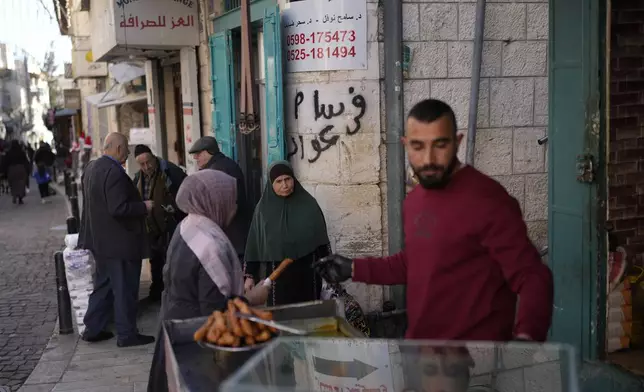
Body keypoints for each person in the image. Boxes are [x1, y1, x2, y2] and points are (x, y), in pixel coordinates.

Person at [315, 99, 554, 342]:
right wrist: (353, 268)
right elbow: (415, 263)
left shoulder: (489, 200)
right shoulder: (414, 201)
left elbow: (532, 276)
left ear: (457, 142)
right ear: (406, 145)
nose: (428, 159)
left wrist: (525, 343)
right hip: (421, 356)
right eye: (418, 147)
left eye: (439, 145)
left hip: (476, 364)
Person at [147, 169, 271, 392]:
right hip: (196, 345)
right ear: (213, 200)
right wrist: (252, 298)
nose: (233, 208)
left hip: (176, 327)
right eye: (230, 201)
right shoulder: (209, 244)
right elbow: (214, 311)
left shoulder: (188, 225)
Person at [78, 132, 155, 347]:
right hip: (119, 243)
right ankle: (126, 334)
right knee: (124, 289)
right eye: (127, 148)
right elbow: (118, 208)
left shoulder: (92, 168)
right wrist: (144, 207)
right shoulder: (113, 172)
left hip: (100, 241)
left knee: (103, 286)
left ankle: (92, 329)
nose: (129, 152)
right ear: (118, 148)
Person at [244, 161, 331, 306]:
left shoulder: (309, 205)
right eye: (278, 181)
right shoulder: (263, 210)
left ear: (294, 180)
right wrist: (249, 276)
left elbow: (321, 241)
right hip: (277, 277)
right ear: (271, 183)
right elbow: (254, 243)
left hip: (308, 274)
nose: (284, 185)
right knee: (281, 317)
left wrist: (329, 268)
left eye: (288, 179)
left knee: (310, 314)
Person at [133, 144, 187, 301]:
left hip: (171, 224)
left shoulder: (170, 171)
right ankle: (156, 294)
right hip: (152, 226)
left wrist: (176, 209)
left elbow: (187, 189)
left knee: (172, 261)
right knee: (155, 260)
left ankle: (175, 295)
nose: (146, 166)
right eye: (142, 164)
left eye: (148, 162)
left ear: (153, 157)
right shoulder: (138, 177)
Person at [189, 136, 251, 262]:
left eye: (198, 154)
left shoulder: (218, 170)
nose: (195, 158)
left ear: (208, 152)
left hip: (231, 235)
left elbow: (219, 206)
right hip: (231, 235)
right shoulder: (222, 165)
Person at [1, 140, 30, 205]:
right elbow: (25, 161)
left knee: (13, 184)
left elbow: (5, 163)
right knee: (21, 183)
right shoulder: (21, 152)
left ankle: (14, 195)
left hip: (12, 169)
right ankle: (20, 198)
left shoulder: (8, 153)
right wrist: (27, 170)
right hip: (21, 169)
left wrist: (4, 172)